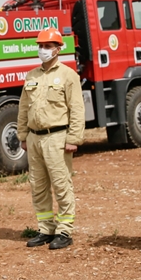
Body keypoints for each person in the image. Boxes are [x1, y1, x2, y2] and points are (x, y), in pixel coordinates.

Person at [19, 28, 84, 250]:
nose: (43, 50)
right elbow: (23, 108)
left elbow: (76, 109)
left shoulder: (68, 75)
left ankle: (64, 230)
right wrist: (22, 135)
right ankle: (45, 229)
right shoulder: (32, 75)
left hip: (57, 137)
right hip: (34, 138)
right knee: (38, 185)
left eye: (47, 46)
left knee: (61, 184)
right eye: (41, 46)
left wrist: (74, 138)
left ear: (58, 49)